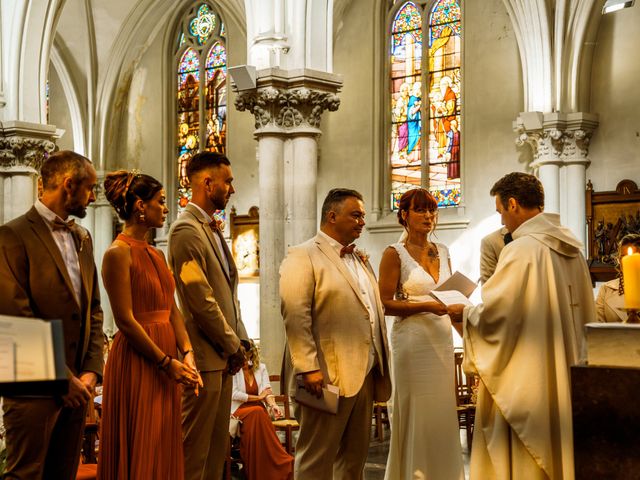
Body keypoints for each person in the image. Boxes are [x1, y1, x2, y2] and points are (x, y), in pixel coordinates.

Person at [450, 172, 596, 480]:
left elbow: (498, 317)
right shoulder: (572, 248)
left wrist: (465, 314)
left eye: (501, 211)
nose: (502, 220)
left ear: (513, 204)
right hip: (569, 369)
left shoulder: (522, 250)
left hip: (531, 376)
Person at [0, 150, 104, 479]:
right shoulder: (12, 236)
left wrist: (90, 371)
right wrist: (61, 378)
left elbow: (94, 310)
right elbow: (15, 317)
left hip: (78, 386)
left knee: (63, 473)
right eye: (89, 188)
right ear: (69, 185)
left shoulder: (82, 238)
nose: (92, 196)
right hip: (32, 388)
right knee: (26, 474)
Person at [279, 188, 391, 479]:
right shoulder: (302, 255)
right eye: (355, 215)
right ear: (331, 216)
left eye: (364, 216)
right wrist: (307, 368)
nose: (362, 222)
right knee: (317, 457)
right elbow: (295, 315)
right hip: (321, 377)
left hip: (364, 374)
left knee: (353, 461)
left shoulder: (360, 260)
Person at [97, 170, 201, 479]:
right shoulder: (117, 253)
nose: (166, 209)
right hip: (140, 358)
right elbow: (125, 321)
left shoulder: (156, 254)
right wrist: (165, 362)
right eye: (161, 202)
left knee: (164, 440)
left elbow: (170, 308)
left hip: (168, 355)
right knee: (143, 439)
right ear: (141, 206)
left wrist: (187, 351)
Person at [169, 151, 249, 480]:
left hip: (223, 357)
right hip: (203, 357)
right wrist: (231, 344)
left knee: (217, 454)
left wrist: (240, 340)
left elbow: (228, 293)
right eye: (227, 181)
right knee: (195, 454)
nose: (232, 188)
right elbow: (200, 299)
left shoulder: (211, 228)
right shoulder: (185, 230)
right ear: (207, 183)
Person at [378, 188, 464, 480]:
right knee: (417, 411)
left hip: (441, 338)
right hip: (412, 341)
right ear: (404, 215)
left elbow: (451, 294)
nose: (428, 216)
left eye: (431, 211)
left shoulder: (444, 251)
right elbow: (385, 304)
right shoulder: (394, 254)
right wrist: (427, 305)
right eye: (420, 210)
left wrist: (464, 317)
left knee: (440, 412)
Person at [230, 341, 293, 480]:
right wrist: (258, 397)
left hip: (258, 411)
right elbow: (234, 394)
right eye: (243, 358)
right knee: (257, 411)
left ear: (252, 355)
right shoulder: (234, 368)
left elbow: (267, 390)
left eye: (247, 357)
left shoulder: (261, 368)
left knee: (259, 412)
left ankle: (276, 465)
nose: (245, 361)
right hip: (238, 410)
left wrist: (273, 405)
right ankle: (270, 463)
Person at [596, 233, 640, 323]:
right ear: (619, 260)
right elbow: (598, 328)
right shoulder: (606, 290)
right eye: (624, 257)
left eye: (634, 257)